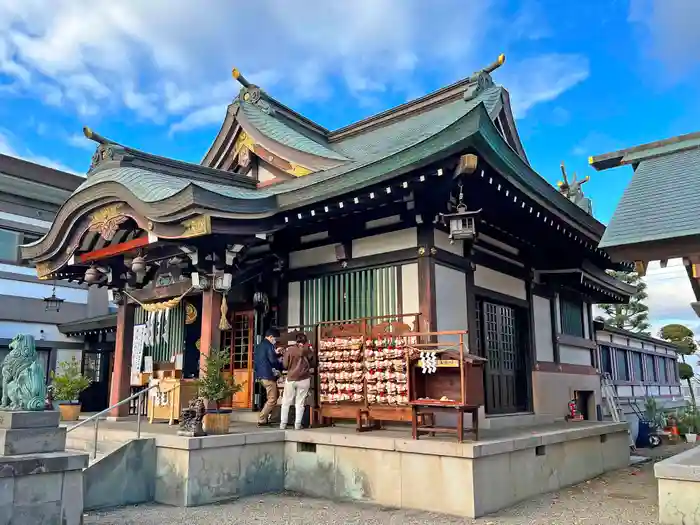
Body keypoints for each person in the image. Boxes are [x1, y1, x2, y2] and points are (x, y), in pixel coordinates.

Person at [280, 333, 314, 430]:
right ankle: (297, 424)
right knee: (300, 402)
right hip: (304, 379)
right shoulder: (308, 350)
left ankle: (283, 423)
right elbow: (314, 363)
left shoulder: (290, 350)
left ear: (296, 341)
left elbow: (285, 365)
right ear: (306, 341)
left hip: (291, 379)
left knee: (286, 401)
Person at [253, 327, 281, 426]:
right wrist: (280, 362)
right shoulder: (269, 345)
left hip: (261, 375)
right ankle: (262, 418)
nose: (275, 341)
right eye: (275, 339)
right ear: (271, 337)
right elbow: (273, 361)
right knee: (273, 398)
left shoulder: (259, 346)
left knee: (275, 395)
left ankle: (268, 416)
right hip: (268, 376)